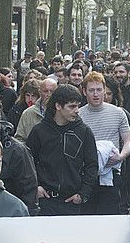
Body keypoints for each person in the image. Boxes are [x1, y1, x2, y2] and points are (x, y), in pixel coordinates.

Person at [26, 83, 98, 215]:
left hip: (72, 202)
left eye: (77, 106)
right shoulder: (39, 131)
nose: (77, 110)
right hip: (44, 201)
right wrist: (35, 187)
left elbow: (92, 165)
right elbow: (28, 163)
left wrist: (83, 194)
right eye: (71, 106)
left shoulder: (84, 131)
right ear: (58, 106)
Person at [78, 72, 130, 214]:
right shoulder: (78, 115)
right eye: (91, 90)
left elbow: (128, 140)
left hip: (112, 173)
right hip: (86, 175)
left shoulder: (118, 113)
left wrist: (121, 156)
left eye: (99, 90)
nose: (96, 94)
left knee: (110, 214)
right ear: (84, 92)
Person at [15, 76, 58, 142]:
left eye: (52, 91)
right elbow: (19, 138)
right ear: (40, 92)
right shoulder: (28, 113)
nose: (49, 94)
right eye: (45, 91)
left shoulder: (63, 112)